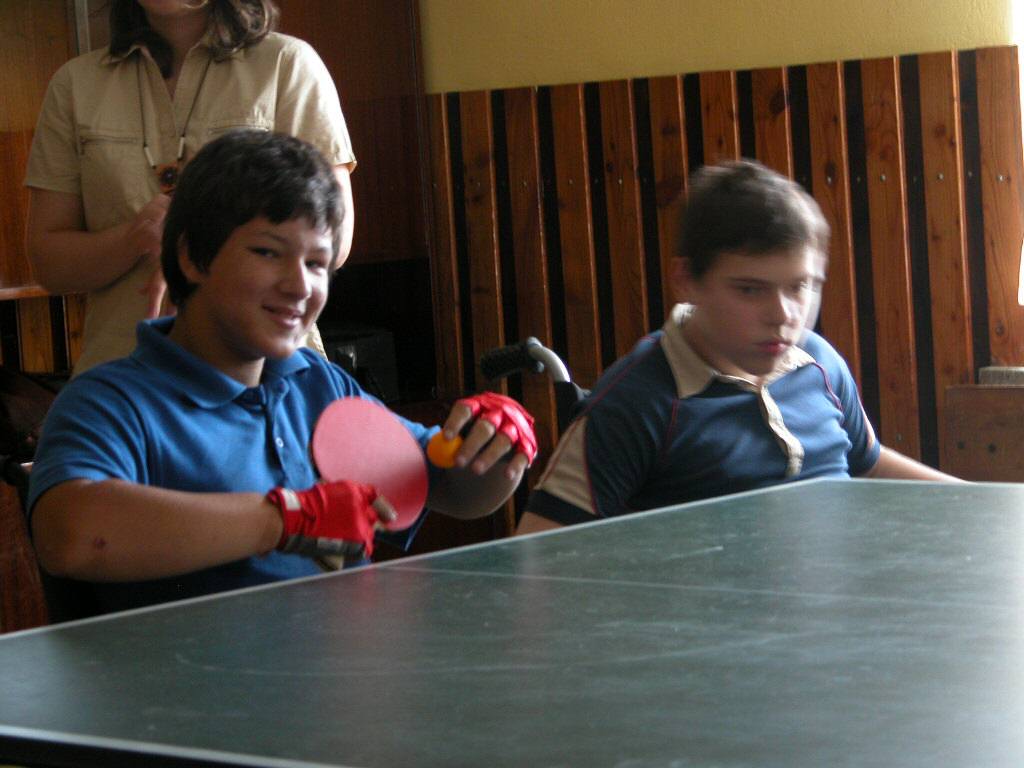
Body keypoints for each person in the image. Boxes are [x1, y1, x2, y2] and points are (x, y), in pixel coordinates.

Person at [27, 130, 536, 615]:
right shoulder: (108, 401)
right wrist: (284, 518)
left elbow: (456, 492)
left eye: (316, 263)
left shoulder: (319, 385)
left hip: (341, 667)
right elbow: (72, 537)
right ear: (191, 257)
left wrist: (497, 447)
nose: (299, 286)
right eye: (268, 252)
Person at [517, 159, 960, 535]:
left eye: (801, 286)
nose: (784, 314)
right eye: (750, 290)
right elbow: (538, 552)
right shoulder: (633, 403)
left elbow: (868, 462)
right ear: (686, 281)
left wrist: (984, 506)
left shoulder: (820, 361)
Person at [25, 0, 354, 375]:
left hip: (267, 376)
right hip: (125, 376)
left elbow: (336, 238)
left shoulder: (287, 63)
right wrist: (134, 238)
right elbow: (49, 264)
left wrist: (194, 244)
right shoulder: (75, 83)